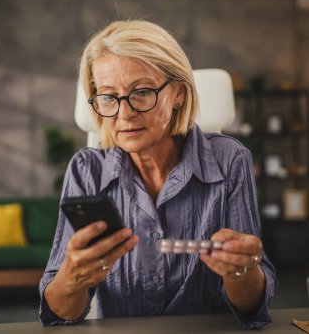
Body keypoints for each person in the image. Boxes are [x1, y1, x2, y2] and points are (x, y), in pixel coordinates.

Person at [39, 20, 277, 328]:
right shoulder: (87, 171)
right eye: (109, 97)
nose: (124, 114)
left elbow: (251, 308)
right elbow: (60, 314)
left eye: (141, 92)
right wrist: (71, 280)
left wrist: (241, 271)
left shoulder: (230, 160)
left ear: (178, 93)